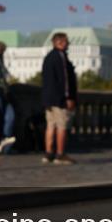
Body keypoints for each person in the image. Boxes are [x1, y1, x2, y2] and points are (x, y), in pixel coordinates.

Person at [41, 32, 78, 165]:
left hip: (48, 98)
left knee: (50, 125)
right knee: (62, 125)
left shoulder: (48, 57)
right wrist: (68, 97)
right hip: (59, 98)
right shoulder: (61, 57)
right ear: (59, 43)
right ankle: (60, 154)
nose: (68, 44)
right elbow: (65, 79)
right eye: (66, 42)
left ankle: (48, 153)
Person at [0, 41, 17, 154]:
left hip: (4, 94)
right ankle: (1, 145)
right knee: (2, 119)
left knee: (8, 118)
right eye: (2, 51)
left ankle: (5, 145)